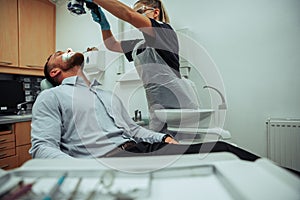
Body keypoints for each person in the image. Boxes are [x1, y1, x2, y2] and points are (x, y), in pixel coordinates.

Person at [29, 49, 259, 162]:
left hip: (140, 149)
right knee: (218, 160)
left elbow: (133, 130)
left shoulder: (106, 94)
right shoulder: (52, 97)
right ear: (55, 71)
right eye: (58, 54)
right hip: (108, 160)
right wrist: (85, 170)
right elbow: (41, 148)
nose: (64, 51)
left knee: (220, 149)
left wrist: (161, 138)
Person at [86, 0, 199, 133]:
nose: (136, 15)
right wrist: (104, 25)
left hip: (180, 106)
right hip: (157, 108)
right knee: (162, 146)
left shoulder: (164, 31)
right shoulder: (139, 45)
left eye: (139, 12)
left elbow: (129, 15)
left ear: (155, 12)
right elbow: (111, 44)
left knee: (184, 146)